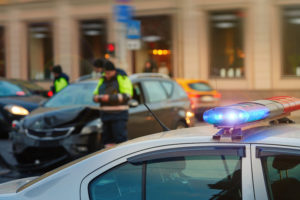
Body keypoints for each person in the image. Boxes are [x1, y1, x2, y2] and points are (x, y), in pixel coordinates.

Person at [93, 60, 133, 148]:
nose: (107, 75)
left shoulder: (122, 78)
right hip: (105, 116)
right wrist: (97, 98)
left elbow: (127, 95)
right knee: (107, 142)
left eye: (109, 73)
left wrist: (109, 98)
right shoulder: (102, 79)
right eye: (105, 73)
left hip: (119, 115)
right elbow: (95, 93)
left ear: (114, 71)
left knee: (120, 141)